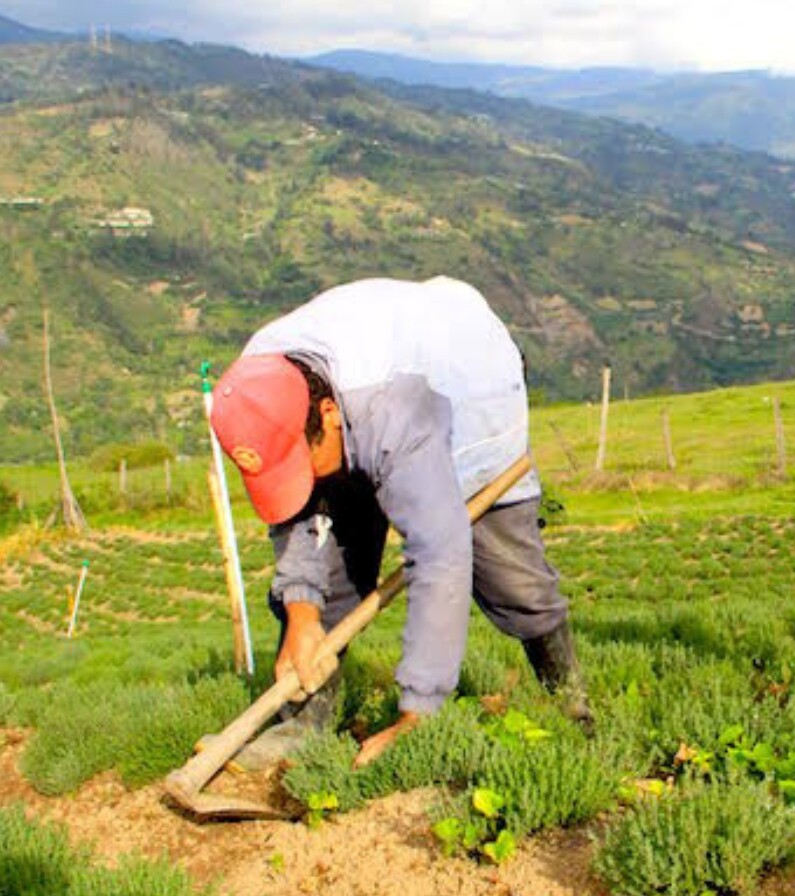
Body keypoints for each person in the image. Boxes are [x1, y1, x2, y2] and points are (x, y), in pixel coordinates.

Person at [209, 276, 591, 769]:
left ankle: (571, 705)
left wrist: (418, 712)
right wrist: (301, 613)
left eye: (303, 464)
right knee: (326, 567)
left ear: (327, 415)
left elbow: (440, 554)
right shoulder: (255, 389)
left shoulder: (393, 408)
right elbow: (299, 515)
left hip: (470, 384)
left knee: (509, 574)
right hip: (369, 402)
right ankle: (304, 725)